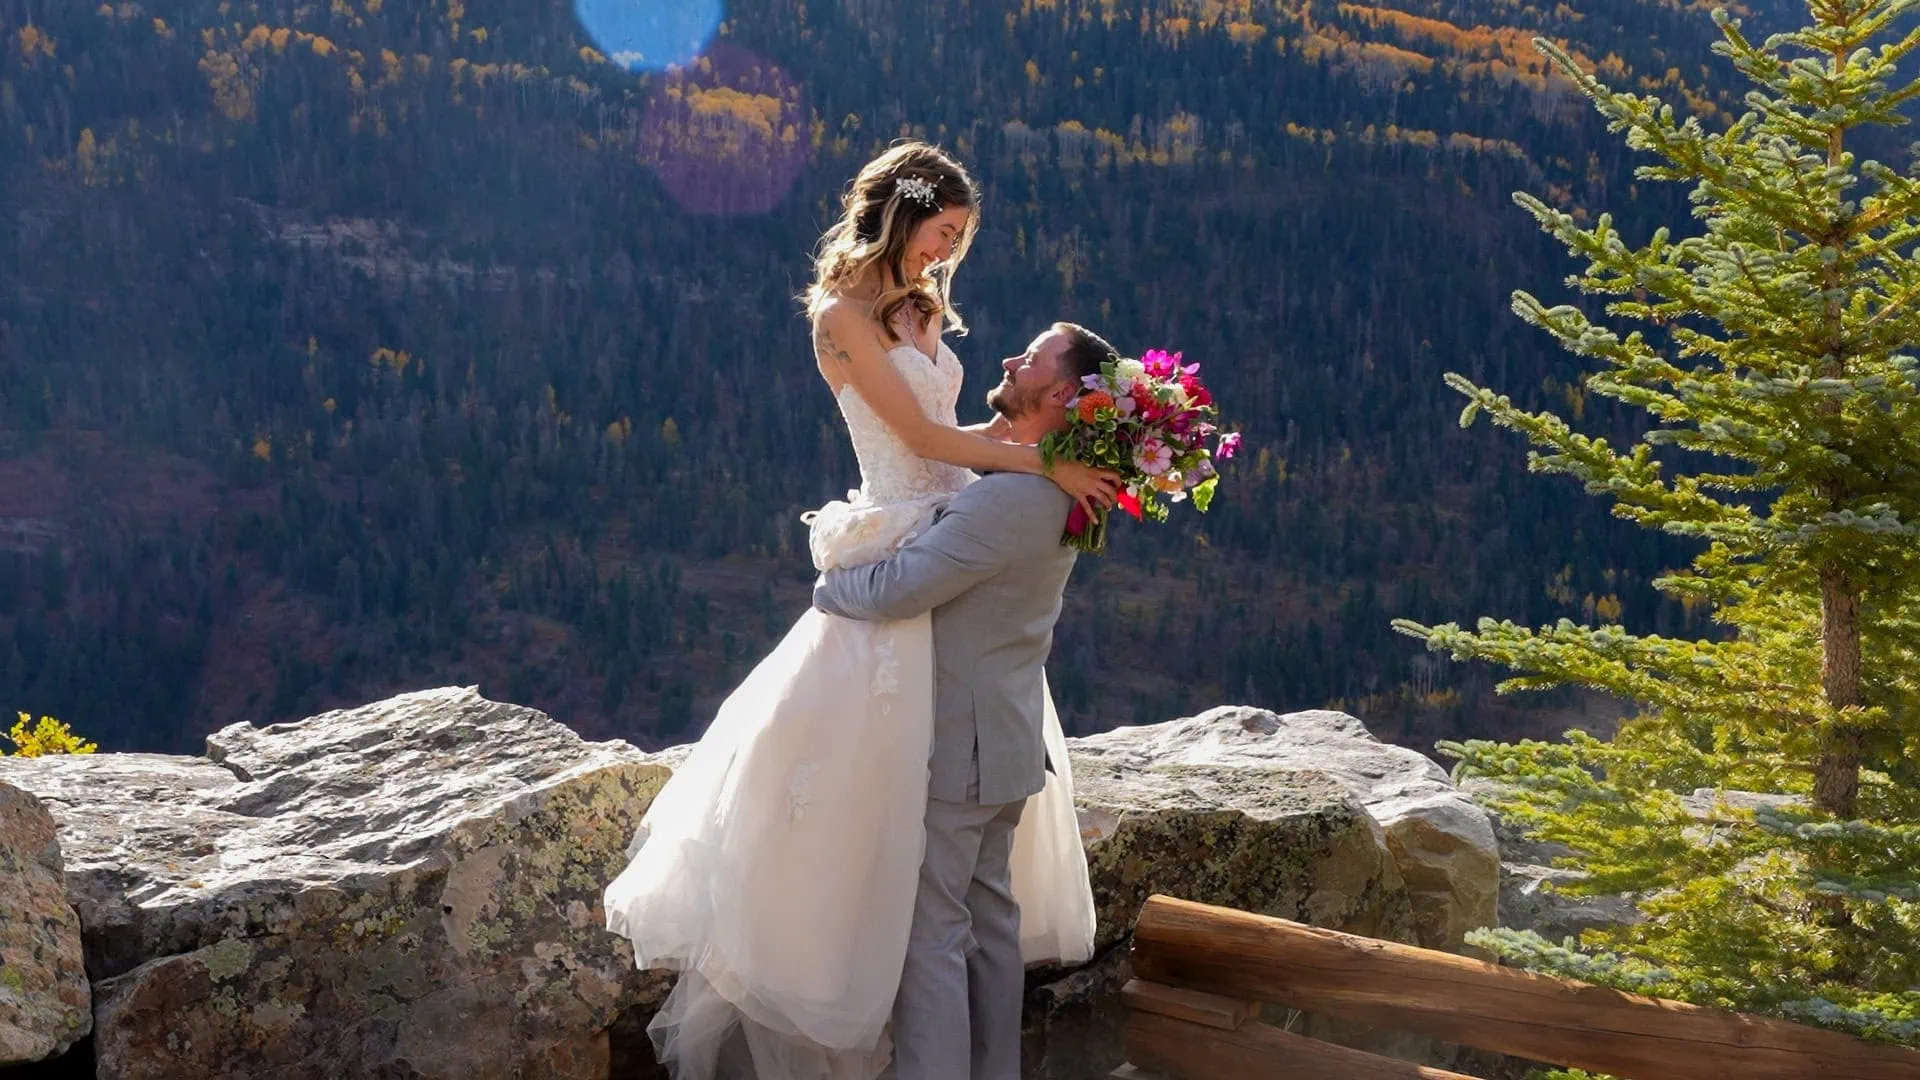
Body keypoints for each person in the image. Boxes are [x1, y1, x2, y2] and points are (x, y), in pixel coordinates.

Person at [602, 141, 1111, 1080]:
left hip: (956, 521)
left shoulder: (921, 310)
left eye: (958, 241)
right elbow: (916, 437)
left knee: (952, 874)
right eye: (942, 234)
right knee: (882, 825)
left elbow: (959, 440)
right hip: (903, 532)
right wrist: (1046, 464)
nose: (944, 257)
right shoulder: (840, 315)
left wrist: (1050, 441)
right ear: (903, 213)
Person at [813, 320, 1113, 1080]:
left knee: (933, 931)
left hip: (963, 746)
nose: (1013, 359)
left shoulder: (1009, 502)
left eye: (1032, 357)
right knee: (989, 923)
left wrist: (827, 581)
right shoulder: (1052, 490)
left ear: (1060, 393)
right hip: (1007, 740)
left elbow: (900, 588)